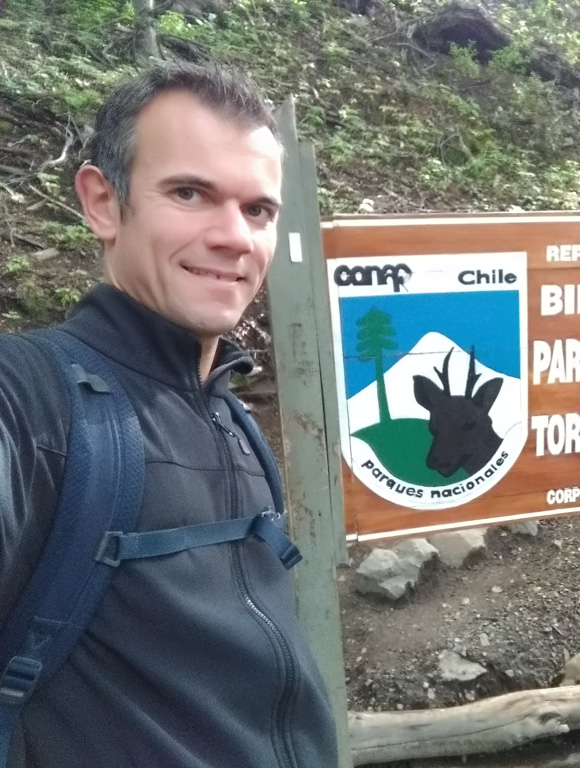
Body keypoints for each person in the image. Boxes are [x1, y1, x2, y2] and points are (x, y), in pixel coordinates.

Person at [0, 64, 338, 766]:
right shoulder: (33, 404)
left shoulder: (232, 418)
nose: (235, 237)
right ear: (102, 202)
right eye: (190, 193)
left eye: (259, 211)